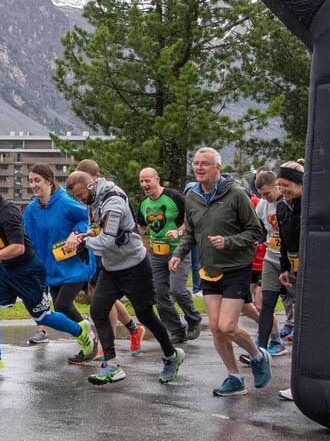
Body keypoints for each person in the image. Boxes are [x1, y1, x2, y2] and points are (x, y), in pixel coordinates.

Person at [0, 171, 96, 377]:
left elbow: (18, 248)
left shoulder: (7, 212)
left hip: (27, 271)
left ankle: (81, 332)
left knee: (44, 316)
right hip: (7, 270)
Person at [64, 171, 185, 385]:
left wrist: (83, 245)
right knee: (98, 310)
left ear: (91, 186)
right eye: (76, 197)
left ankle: (171, 356)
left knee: (145, 315)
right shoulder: (95, 200)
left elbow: (109, 241)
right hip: (112, 267)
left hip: (134, 266)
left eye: (81, 195)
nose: (80, 200)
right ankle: (111, 365)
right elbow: (99, 230)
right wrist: (85, 236)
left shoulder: (113, 201)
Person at [170, 147, 270, 396]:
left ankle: (258, 356)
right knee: (215, 328)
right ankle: (234, 377)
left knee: (227, 326)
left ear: (218, 168)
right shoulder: (192, 196)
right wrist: (178, 254)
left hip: (236, 268)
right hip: (209, 269)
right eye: (195, 163)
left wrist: (229, 242)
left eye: (205, 163)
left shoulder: (235, 194)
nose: (199, 167)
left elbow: (257, 232)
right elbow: (191, 232)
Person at [22, 164, 96, 359]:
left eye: (37, 180)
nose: (33, 185)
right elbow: (25, 238)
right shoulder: (31, 210)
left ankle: (90, 340)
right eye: (31, 181)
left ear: (49, 181)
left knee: (63, 304)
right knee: (59, 310)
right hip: (50, 268)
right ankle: (86, 337)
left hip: (74, 265)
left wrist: (76, 233)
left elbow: (86, 220)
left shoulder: (65, 202)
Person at [74, 159, 144, 362]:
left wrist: (89, 242)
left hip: (115, 252)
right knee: (105, 298)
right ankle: (133, 328)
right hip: (100, 250)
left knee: (101, 301)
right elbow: (94, 225)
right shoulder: (93, 198)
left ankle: (107, 346)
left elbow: (110, 231)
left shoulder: (112, 195)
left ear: (95, 178)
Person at [136, 167, 202, 343]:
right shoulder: (144, 204)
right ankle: (176, 330)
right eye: (141, 181)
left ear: (157, 179)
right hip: (157, 254)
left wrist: (179, 232)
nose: (144, 185)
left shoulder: (174, 197)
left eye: (147, 180)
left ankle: (194, 320)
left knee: (177, 290)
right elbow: (141, 228)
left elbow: (193, 219)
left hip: (178, 251)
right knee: (159, 294)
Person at [274, 160, 304, 401]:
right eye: (279, 185)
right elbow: (284, 239)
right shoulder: (282, 206)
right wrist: (284, 266)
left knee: (307, 325)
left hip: (312, 269)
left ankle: (303, 385)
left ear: (299, 183)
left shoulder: (311, 204)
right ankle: (298, 384)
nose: (282, 189)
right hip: (293, 267)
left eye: (286, 185)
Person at [251, 170, 290, 357]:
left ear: (277, 186)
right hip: (271, 259)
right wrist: (258, 240)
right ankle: (264, 344)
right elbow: (260, 228)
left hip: (290, 261)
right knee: (263, 304)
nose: (264, 198)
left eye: (267, 193)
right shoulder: (262, 206)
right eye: (261, 194)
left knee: (297, 303)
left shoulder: (287, 203)